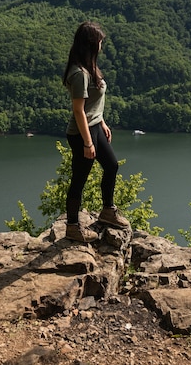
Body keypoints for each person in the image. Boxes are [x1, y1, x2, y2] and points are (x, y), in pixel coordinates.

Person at [62, 21, 130, 242]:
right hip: (82, 133)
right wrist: (88, 142)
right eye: (99, 41)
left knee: (112, 166)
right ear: (90, 44)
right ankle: (72, 226)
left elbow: (93, 105)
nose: (102, 45)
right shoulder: (79, 73)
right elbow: (79, 111)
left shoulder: (90, 67)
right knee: (79, 180)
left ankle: (108, 211)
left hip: (94, 127)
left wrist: (101, 122)